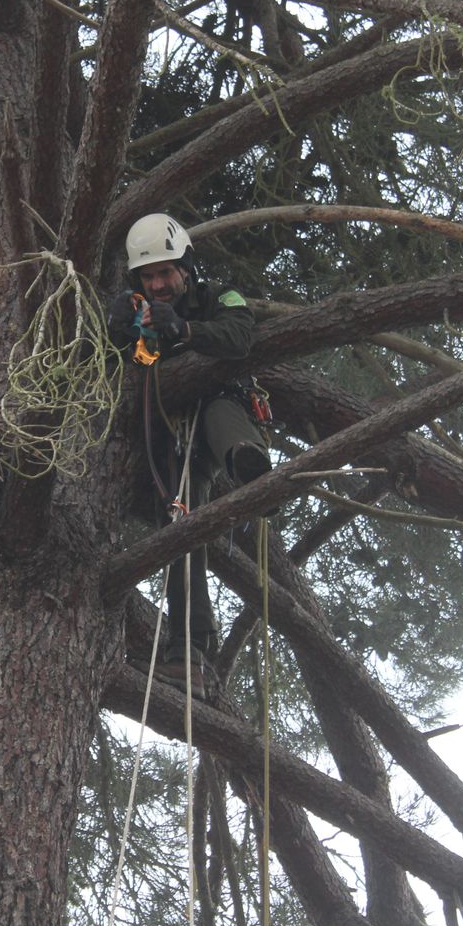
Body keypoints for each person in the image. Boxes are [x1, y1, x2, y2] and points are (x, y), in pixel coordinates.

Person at [106, 213, 272, 697]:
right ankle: (189, 654)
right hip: (167, 433)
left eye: (165, 272)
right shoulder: (139, 311)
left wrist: (185, 331)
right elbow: (131, 366)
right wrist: (122, 331)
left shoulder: (219, 297)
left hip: (218, 407)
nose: (158, 284)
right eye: (149, 276)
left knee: (227, 421)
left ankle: (252, 470)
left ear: (185, 267)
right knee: (181, 533)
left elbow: (241, 337)